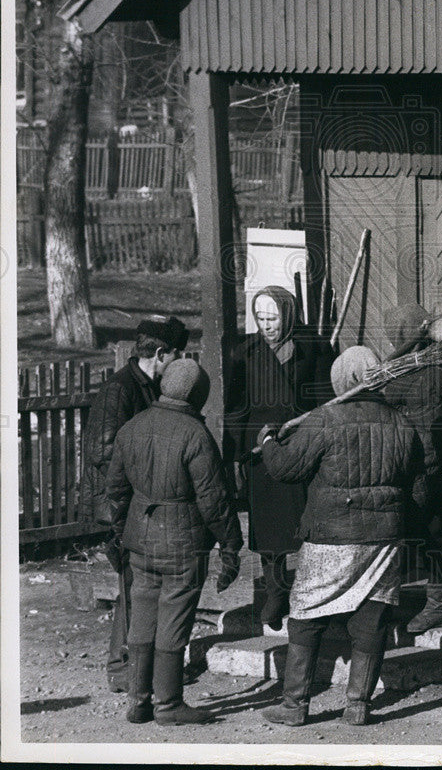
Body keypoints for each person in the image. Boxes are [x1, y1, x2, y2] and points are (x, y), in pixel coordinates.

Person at [259, 346, 427, 727]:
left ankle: (294, 705)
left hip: (330, 536)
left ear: (341, 381)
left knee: (306, 616)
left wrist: (269, 442)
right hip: (384, 540)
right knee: (372, 618)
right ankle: (358, 705)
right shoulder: (403, 424)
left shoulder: (324, 420)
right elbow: (419, 489)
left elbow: (285, 469)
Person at [106, 358, 243, 726]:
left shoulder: (132, 428)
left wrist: (121, 535)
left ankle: (138, 700)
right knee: (174, 621)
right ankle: (168, 705)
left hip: (140, 540)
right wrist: (231, 546)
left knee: (143, 617)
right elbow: (214, 501)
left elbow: (116, 492)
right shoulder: (196, 435)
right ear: (198, 395)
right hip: (183, 543)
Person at [78, 315, 189, 693]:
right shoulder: (120, 390)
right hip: (118, 508)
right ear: (160, 354)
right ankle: (121, 667)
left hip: (130, 504)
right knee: (132, 587)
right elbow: (103, 453)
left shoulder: (144, 386)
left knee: (137, 585)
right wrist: (129, 501)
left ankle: (134, 665)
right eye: (177, 356)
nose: (180, 363)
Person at [224, 286, 334, 630]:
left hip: (302, 448)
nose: (267, 325)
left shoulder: (314, 347)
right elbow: (236, 408)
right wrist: (237, 455)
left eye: (273, 317)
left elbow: (327, 400)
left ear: (288, 314)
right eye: (261, 318)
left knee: (306, 525)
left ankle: (311, 592)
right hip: (263, 451)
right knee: (269, 529)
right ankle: (275, 592)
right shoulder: (246, 352)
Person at [382, 304, 442, 633]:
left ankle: (432, 604)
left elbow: (419, 420)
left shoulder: (412, 370)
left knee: (412, 532)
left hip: (422, 464)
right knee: (437, 532)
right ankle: (438, 601)